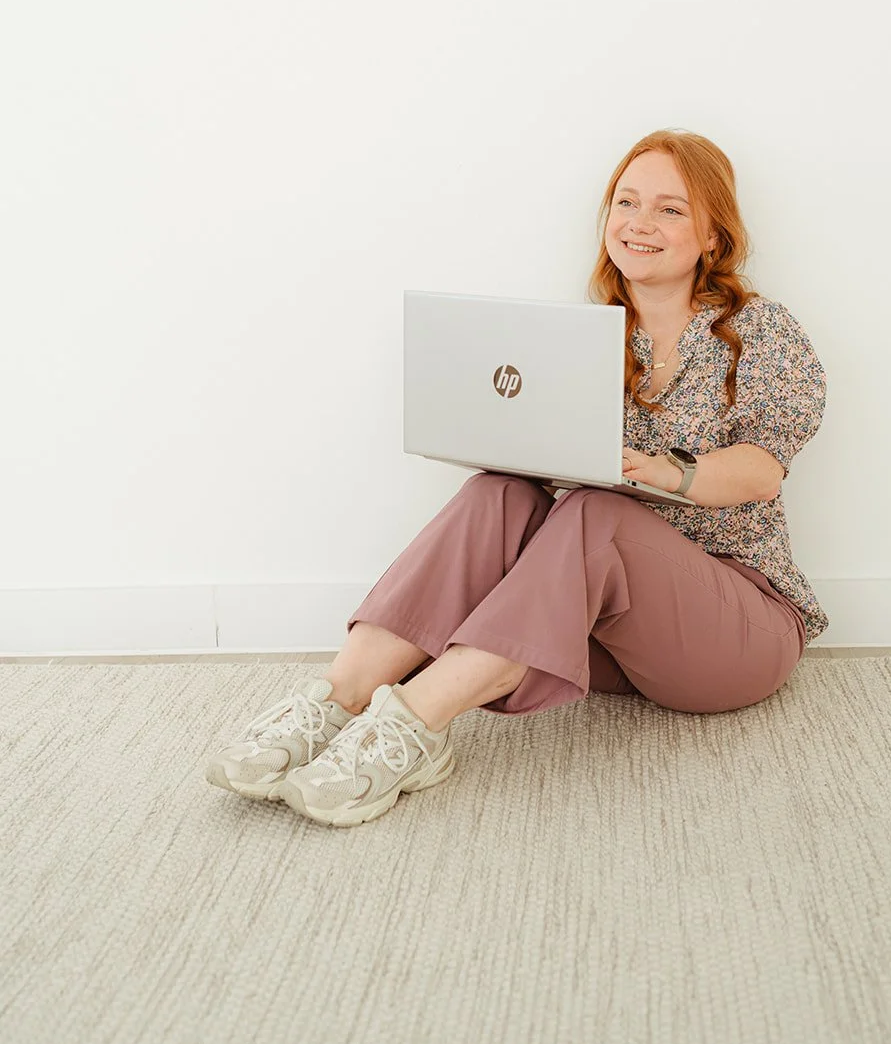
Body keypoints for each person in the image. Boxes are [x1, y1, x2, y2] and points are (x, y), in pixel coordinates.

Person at [204, 128, 828, 829]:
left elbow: (759, 473)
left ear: (713, 234)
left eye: (669, 209)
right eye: (625, 203)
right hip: (610, 642)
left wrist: (665, 472)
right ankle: (338, 696)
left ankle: (416, 719)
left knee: (600, 512)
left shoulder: (759, 330)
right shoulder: (586, 342)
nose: (639, 224)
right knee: (497, 491)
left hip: (734, 632)